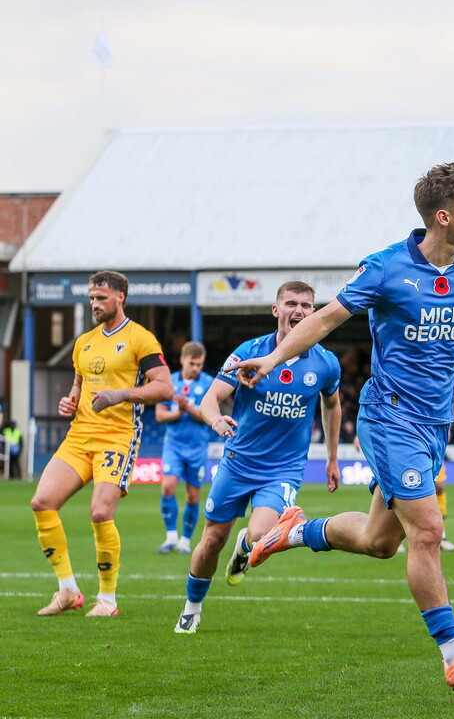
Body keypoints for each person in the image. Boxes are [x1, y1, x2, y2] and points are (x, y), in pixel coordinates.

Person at [231, 163, 454, 690]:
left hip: (434, 425)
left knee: (381, 542)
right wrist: (273, 359)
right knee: (427, 531)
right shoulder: (384, 268)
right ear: (444, 217)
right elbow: (325, 318)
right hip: (388, 418)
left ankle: (294, 531)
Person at [173, 281, 342, 634]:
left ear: (314, 312)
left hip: (283, 469)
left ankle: (246, 547)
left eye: (307, 306)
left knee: (262, 536)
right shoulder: (250, 351)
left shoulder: (325, 364)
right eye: (291, 303)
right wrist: (215, 418)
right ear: (276, 310)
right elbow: (210, 398)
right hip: (238, 462)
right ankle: (192, 607)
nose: (299, 310)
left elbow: (332, 404)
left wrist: (331, 457)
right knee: (211, 540)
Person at [30, 270, 174, 617]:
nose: (95, 304)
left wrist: (121, 394)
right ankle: (67, 591)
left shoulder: (141, 339)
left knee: (100, 512)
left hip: (118, 437)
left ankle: (107, 600)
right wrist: (69, 400)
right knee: (42, 502)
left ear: (120, 297)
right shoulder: (84, 342)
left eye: (101, 298)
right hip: (79, 436)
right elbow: (78, 388)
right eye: (92, 298)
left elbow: (165, 388)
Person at [155, 341, 216, 554]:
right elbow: (160, 415)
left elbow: (207, 418)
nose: (196, 368)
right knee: (168, 486)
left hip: (197, 448)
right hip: (174, 445)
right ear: (182, 360)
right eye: (192, 363)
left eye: (200, 364)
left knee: (192, 496)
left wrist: (187, 407)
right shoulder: (169, 383)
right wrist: (179, 412)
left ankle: (185, 541)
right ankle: (170, 537)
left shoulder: (209, 384)